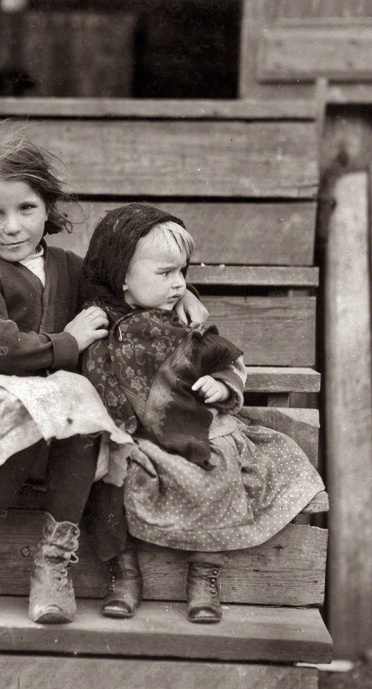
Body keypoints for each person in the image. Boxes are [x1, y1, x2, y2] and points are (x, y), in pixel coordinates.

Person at [0, 129, 212, 625]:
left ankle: (53, 564)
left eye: (26, 209)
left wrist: (183, 295)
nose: (12, 227)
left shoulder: (68, 268)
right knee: (41, 406)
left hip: (51, 431)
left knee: (82, 418)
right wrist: (67, 343)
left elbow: (126, 285)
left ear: (47, 207)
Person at [80, 203, 325, 624]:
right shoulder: (96, 322)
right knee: (105, 478)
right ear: (120, 276)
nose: (179, 284)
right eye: (166, 273)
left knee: (218, 469)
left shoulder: (181, 323)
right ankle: (124, 573)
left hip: (193, 429)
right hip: (129, 434)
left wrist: (223, 384)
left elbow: (225, 360)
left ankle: (205, 573)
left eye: (183, 272)